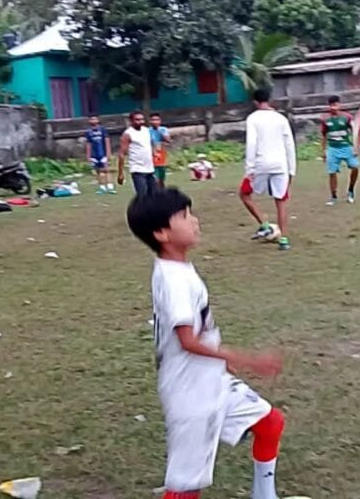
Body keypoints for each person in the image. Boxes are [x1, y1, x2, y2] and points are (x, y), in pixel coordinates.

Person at [127, 188, 286, 499]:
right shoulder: (174, 280)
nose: (195, 221)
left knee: (270, 423)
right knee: (186, 486)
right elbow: (187, 340)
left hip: (210, 379)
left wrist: (220, 362)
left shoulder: (177, 269)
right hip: (190, 393)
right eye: (185, 217)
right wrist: (246, 359)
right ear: (161, 233)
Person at [240, 89, 297, 251]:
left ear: (255, 102)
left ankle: (265, 225)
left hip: (260, 163)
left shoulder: (253, 118)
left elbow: (251, 143)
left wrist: (249, 168)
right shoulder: (281, 118)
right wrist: (292, 169)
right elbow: (289, 144)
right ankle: (284, 240)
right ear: (269, 100)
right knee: (281, 200)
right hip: (280, 164)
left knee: (244, 194)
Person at [321, 95, 360, 206]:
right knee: (332, 172)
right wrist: (323, 151)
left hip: (346, 147)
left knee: (355, 167)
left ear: (339, 105)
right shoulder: (325, 119)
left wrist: (355, 147)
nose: (333, 107)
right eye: (331, 105)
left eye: (335, 105)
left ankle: (351, 191)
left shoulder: (347, 117)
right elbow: (323, 136)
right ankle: (333, 196)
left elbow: (354, 131)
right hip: (333, 148)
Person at [118, 110, 157, 196]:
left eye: (142, 119)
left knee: (155, 196)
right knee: (142, 196)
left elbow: (150, 144)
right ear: (131, 121)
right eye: (137, 119)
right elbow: (122, 154)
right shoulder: (128, 134)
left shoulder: (146, 131)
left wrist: (154, 153)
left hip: (150, 169)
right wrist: (120, 173)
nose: (140, 122)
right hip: (137, 170)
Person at [85, 115, 116, 194]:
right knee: (98, 171)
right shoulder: (88, 132)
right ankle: (102, 187)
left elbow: (107, 141)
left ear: (98, 120)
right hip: (94, 155)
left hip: (103, 154)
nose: (93, 120)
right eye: (91, 119)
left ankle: (110, 187)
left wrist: (108, 153)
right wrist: (88, 156)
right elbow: (88, 144)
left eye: (95, 119)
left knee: (106, 170)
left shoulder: (102, 130)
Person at [150, 113, 172, 189]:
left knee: (162, 174)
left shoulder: (163, 129)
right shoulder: (148, 131)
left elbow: (168, 141)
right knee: (155, 175)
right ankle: (156, 189)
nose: (155, 122)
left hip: (161, 152)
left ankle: (162, 189)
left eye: (156, 120)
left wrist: (159, 131)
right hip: (152, 153)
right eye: (153, 120)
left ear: (160, 121)